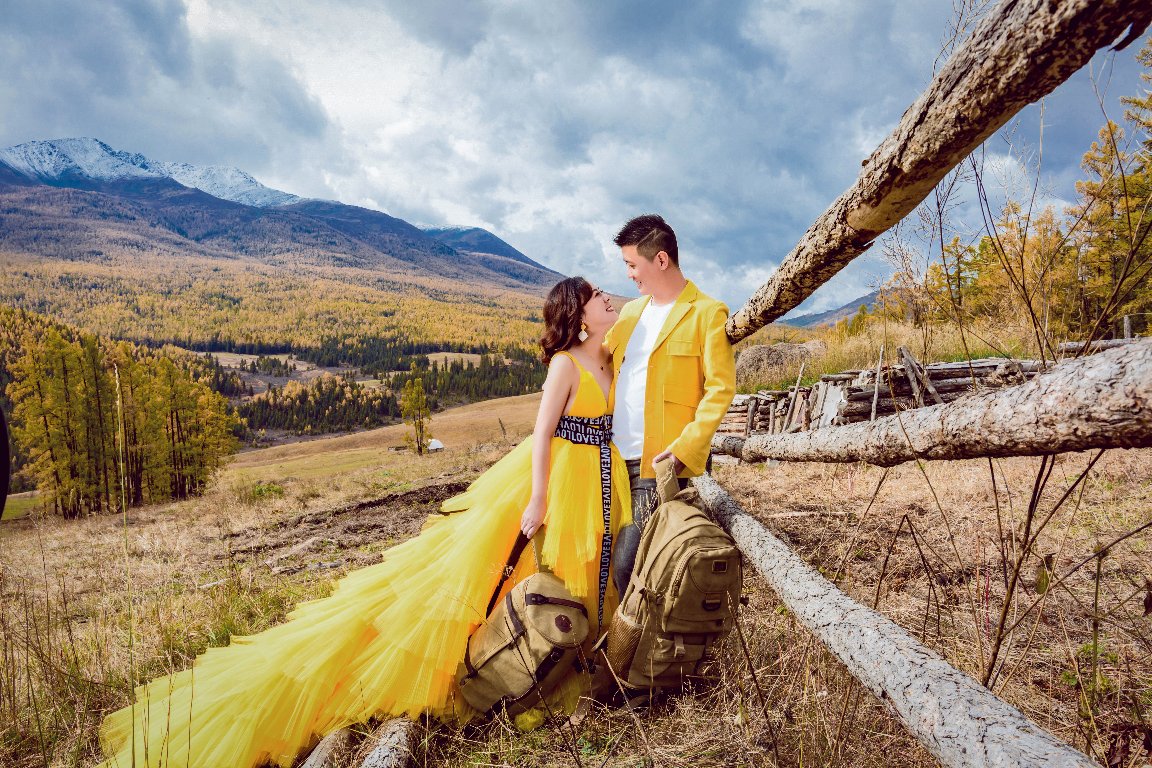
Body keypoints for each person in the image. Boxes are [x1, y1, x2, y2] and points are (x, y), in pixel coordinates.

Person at [97, 277, 631, 768]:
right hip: (560, 479)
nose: (607, 296)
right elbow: (541, 434)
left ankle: (573, 665)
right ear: (577, 313)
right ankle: (505, 667)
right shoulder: (566, 365)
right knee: (518, 573)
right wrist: (537, 497)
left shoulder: (609, 352)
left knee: (586, 570)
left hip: (602, 479)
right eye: (595, 294)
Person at [606, 214, 736, 594]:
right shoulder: (630, 313)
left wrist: (684, 449)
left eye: (632, 264)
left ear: (661, 259)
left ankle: (635, 636)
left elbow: (720, 389)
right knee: (609, 564)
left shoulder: (707, 312)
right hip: (613, 461)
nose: (629, 274)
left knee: (629, 567)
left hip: (661, 465)